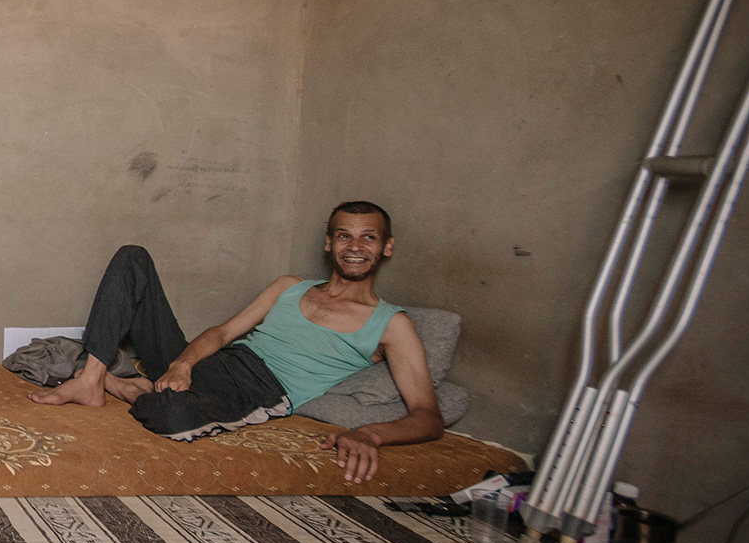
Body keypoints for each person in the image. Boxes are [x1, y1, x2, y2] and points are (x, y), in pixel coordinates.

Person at [30, 201, 442, 484]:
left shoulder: (392, 325)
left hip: (261, 390)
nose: (355, 247)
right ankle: (91, 380)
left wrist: (371, 434)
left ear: (386, 247)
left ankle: (116, 383)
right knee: (132, 256)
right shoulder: (290, 286)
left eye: (368, 238)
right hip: (214, 361)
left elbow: (428, 415)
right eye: (344, 236)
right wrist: (182, 364)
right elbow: (222, 334)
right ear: (328, 243)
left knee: (169, 418)